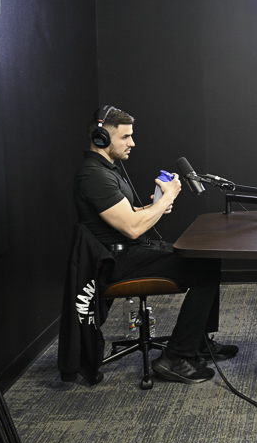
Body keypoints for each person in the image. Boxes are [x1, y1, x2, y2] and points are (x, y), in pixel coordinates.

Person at [73, 106, 237, 384]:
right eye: (125, 137)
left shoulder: (105, 170)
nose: (132, 143)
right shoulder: (93, 176)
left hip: (126, 253)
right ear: (101, 138)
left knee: (206, 259)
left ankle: (197, 343)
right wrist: (165, 199)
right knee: (205, 272)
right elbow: (132, 227)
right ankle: (176, 358)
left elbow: (125, 216)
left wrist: (154, 207)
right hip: (115, 264)